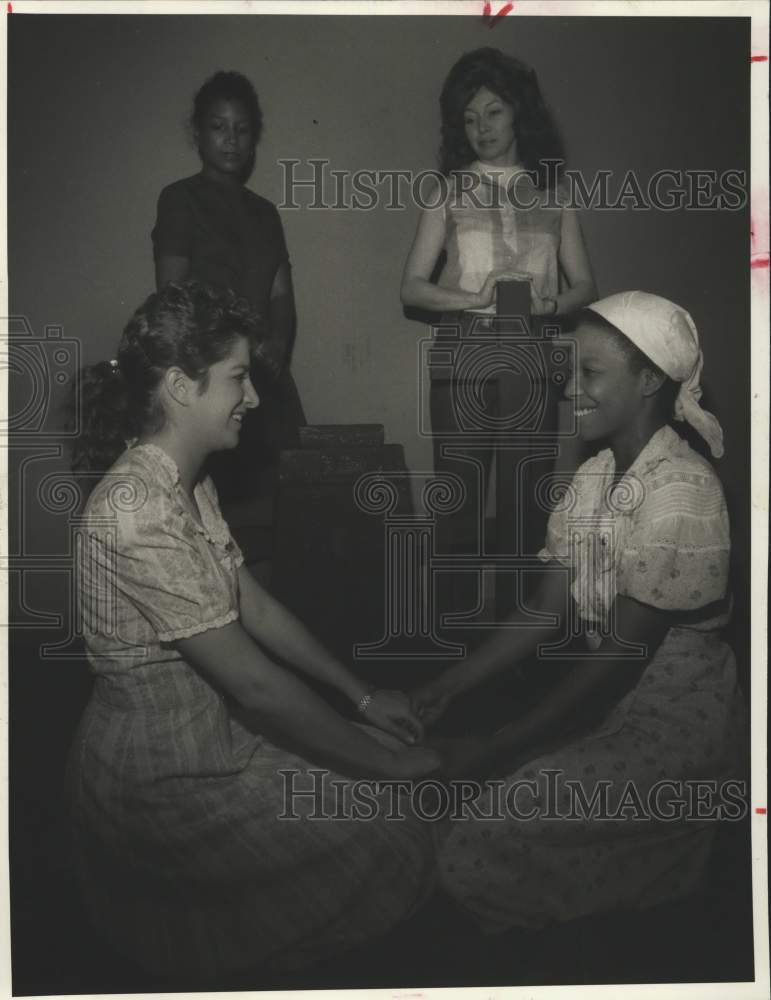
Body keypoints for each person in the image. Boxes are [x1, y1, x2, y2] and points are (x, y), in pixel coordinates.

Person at [66, 282, 438, 982]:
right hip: (161, 784)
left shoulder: (187, 481)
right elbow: (253, 682)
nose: (255, 398)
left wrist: (361, 701)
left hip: (213, 735)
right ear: (180, 386)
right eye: (237, 377)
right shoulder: (133, 511)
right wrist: (384, 762)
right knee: (391, 817)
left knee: (385, 756)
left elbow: (254, 605)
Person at [412, 291, 746, 930]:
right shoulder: (593, 477)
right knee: (450, 794)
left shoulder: (684, 492)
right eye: (570, 372)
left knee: (480, 830)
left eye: (590, 373)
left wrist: (491, 749)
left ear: (649, 379)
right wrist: (442, 689)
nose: (568, 389)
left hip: (674, 725)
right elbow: (544, 613)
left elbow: (615, 666)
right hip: (601, 706)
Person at [401, 47, 596, 559]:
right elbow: (412, 288)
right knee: (459, 501)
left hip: (533, 352)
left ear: (519, 112)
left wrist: (546, 308)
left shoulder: (555, 193)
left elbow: (586, 288)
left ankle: (521, 631)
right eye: (469, 119)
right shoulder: (446, 191)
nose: (481, 128)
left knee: (526, 505)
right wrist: (474, 297)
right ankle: (455, 631)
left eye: (493, 112)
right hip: (464, 352)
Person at [152, 70, 304, 503]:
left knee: (283, 504)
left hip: (264, 374)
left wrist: (276, 343)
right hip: (206, 374)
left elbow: (280, 295)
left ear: (254, 137)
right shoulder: (179, 200)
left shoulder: (266, 213)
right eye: (219, 127)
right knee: (211, 504)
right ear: (198, 133)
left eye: (242, 129)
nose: (231, 140)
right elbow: (171, 296)